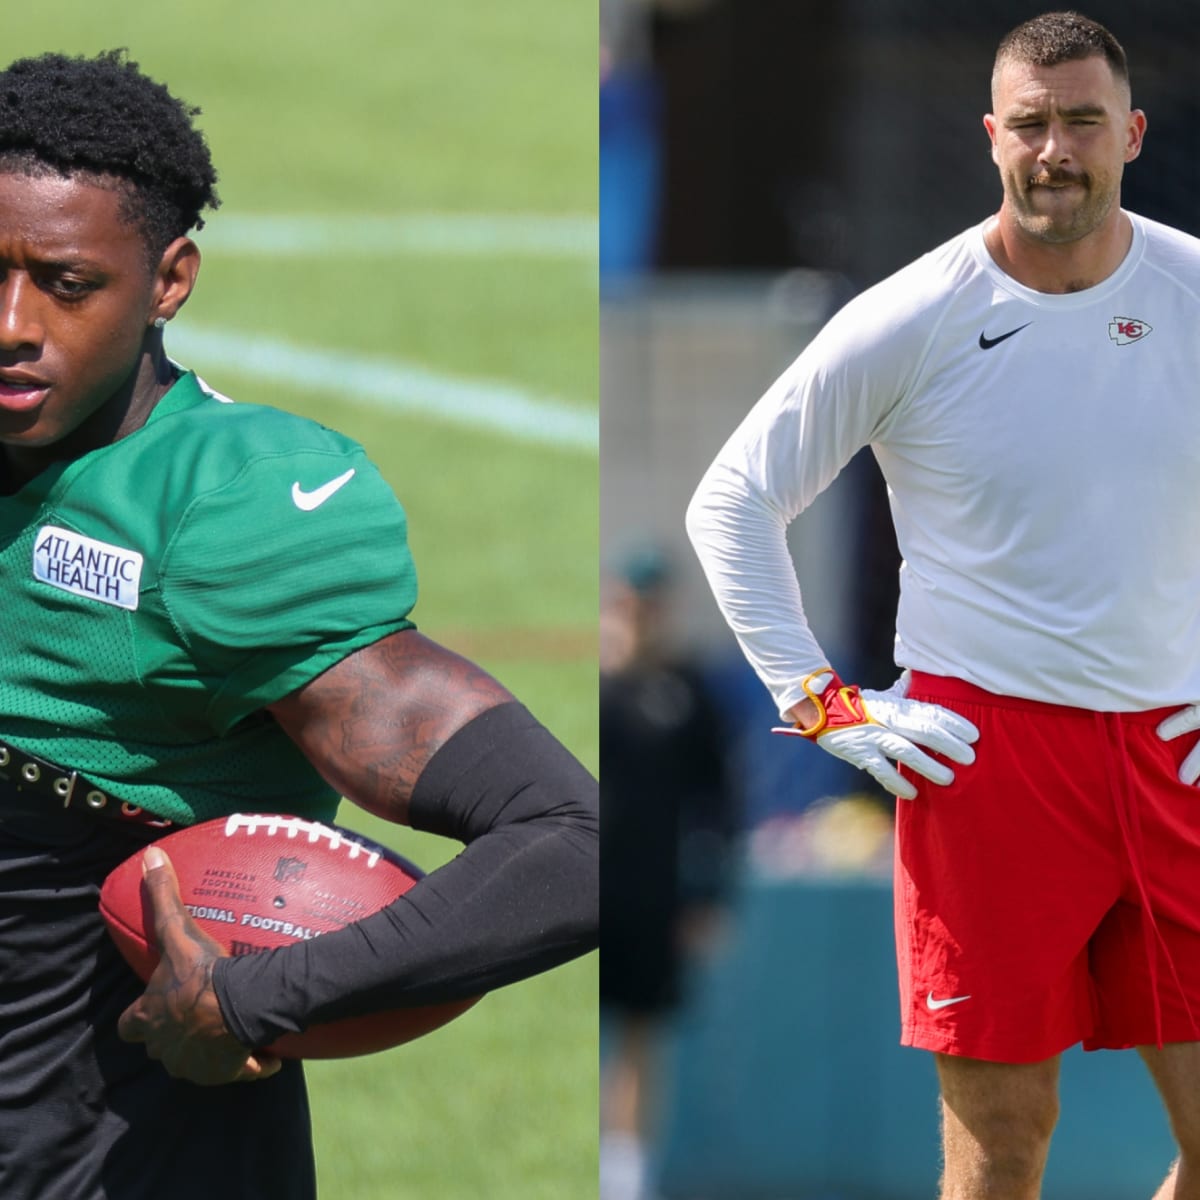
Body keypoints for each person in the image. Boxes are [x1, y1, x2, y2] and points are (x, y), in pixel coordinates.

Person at [0, 49, 598, 1200]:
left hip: (110, 1153)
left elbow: (570, 843)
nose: (12, 323)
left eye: (67, 283)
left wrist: (248, 998)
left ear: (169, 281)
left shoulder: (223, 515)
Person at [686, 11, 1200, 1199]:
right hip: (991, 754)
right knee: (1004, 1143)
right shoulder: (911, 314)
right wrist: (824, 707)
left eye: (1081, 121)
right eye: (1030, 123)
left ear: (1131, 131)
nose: (1056, 149)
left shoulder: (1188, 290)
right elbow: (732, 503)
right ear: (991, 136)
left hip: (1173, 748)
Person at [599, 547, 739, 1200]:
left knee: (638, 1035)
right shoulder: (593, 682)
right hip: (581, 885)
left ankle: (623, 1180)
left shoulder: (687, 692)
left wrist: (709, 895)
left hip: (651, 893)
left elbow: (719, 803)